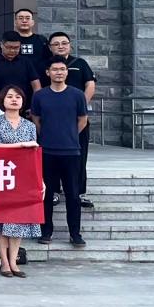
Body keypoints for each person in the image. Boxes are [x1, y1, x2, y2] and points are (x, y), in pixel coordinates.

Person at [0, 85, 42, 277]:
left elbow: (34, 154)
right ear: (2, 100)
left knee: (19, 220)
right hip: (1, 175)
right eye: (9, 96)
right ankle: (4, 262)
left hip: (23, 177)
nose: (14, 99)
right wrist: (22, 145)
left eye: (18, 96)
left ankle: (14, 262)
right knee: (1, 220)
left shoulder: (29, 125)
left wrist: (40, 179)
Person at [32, 56, 89, 247]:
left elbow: (82, 120)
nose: (59, 72)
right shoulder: (40, 95)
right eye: (55, 69)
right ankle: (46, 231)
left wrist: (70, 134)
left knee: (73, 195)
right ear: (48, 72)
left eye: (62, 69)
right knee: (47, 194)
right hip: (47, 151)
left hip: (71, 152)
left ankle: (75, 233)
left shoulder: (77, 95)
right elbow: (36, 120)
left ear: (66, 72)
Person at [46, 32, 97, 208]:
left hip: (77, 119)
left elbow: (90, 85)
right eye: (56, 44)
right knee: (51, 158)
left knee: (79, 157)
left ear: (70, 45)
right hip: (52, 121)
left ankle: (79, 193)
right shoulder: (46, 64)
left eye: (64, 43)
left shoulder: (80, 63)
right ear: (50, 47)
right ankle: (53, 191)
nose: (60, 46)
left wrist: (80, 106)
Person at [0, 31, 41, 113]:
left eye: (16, 48)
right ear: (1, 45)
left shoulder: (26, 62)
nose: (12, 50)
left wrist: (34, 107)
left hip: (23, 108)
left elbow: (36, 86)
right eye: (9, 47)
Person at [13, 8, 49, 75]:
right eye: (20, 18)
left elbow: (48, 59)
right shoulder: (10, 40)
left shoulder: (42, 40)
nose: (24, 21)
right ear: (15, 22)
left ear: (32, 22)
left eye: (27, 18)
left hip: (40, 78)